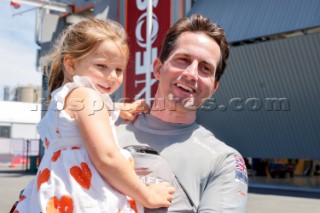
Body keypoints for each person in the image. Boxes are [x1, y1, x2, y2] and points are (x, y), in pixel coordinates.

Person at [12, 18, 175, 213]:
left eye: (119, 69)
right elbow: (106, 157)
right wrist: (147, 195)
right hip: (86, 199)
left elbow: (80, 122)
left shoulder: (62, 99)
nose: (112, 76)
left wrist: (116, 109)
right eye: (102, 66)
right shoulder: (87, 95)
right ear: (71, 65)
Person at [117, 14, 248, 212]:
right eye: (183, 59)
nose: (191, 74)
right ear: (158, 69)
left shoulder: (224, 161)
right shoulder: (105, 128)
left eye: (205, 68)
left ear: (213, 88)